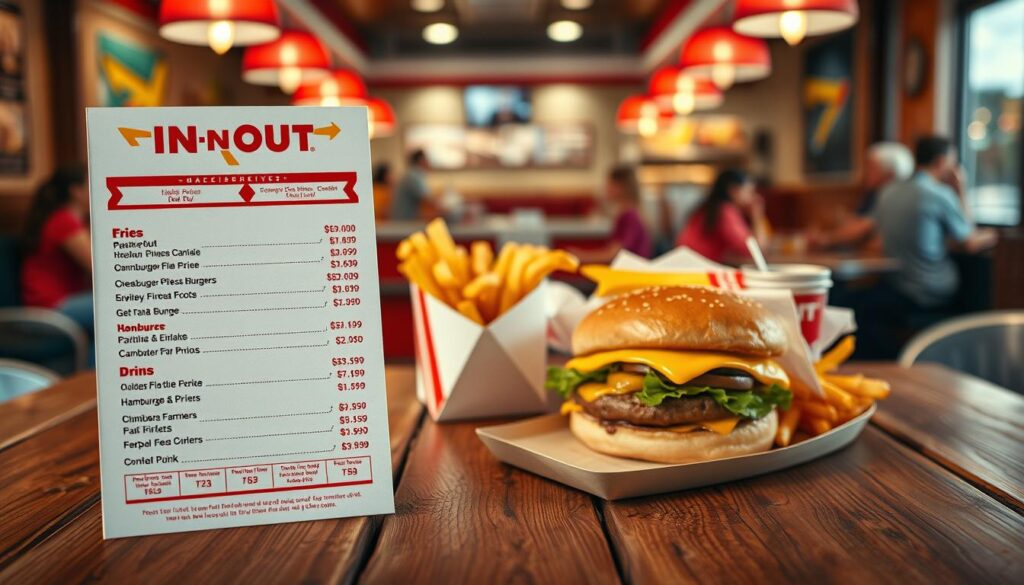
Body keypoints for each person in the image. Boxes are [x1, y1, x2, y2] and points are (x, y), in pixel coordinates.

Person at [854, 136, 998, 358]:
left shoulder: (888, 192)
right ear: (941, 162)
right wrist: (964, 193)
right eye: (953, 162)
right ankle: (899, 358)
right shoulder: (939, 194)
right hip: (932, 290)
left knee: (852, 301)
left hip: (895, 283)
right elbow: (969, 241)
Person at [20, 166, 93, 336]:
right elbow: (99, 268)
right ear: (76, 191)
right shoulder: (63, 221)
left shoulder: (70, 220)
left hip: (61, 303)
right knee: (121, 304)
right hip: (52, 307)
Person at [808, 142, 915, 250]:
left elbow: (864, 228)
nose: (866, 172)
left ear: (890, 174)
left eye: (872, 168)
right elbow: (856, 222)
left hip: (889, 262)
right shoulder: (873, 194)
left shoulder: (894, 197)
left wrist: (826, 239)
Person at [676, 168, 768, 264]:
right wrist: (757, 215)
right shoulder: (725, 212)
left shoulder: (711, 207)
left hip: (686, 264)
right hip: (694, 269)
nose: (752, 197)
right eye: (748, 191)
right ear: (733, 190)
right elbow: (755, 250)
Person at [569, 166, 653, 262]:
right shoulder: (628, 212)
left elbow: (613, 254)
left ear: (619, 187)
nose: (604, 187)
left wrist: (580, 256)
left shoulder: (629, 216)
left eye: (608, 184)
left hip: (632, 273)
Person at [390, 149, 430, 220]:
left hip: (401, 219)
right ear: (421, 160)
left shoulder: (410, 174)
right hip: (404, 222)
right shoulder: (413, 176)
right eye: (427, 159)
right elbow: (427, 200)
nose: (429, 162)